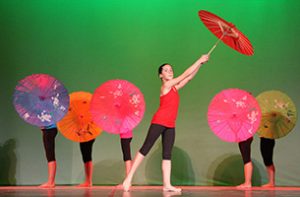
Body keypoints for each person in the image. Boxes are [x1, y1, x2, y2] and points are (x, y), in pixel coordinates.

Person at [122, 54, 209, 192]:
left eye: (171, 69)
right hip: (159, 121)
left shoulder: (174, 88)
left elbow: (189, 77)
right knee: (145, 148)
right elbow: (185, 74)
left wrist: (200, 65)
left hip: (170, 124)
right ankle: (128, 178)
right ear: (160, 76)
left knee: (167, 154)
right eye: (166, 70)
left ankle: (167, 184)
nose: (170, 71)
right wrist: (199, 59)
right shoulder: (167, 85)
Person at [39, 124, 58, 188]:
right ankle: (51, 181)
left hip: (49, 129)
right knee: (50, 155)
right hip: (49, 129)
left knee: (50, 156)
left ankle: (51, 182)